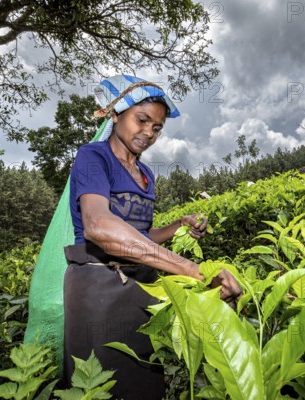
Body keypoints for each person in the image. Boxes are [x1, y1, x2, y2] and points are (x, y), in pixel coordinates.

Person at [63, 75, 241, 399]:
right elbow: (99, 226)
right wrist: (191, 270)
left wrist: (177, 226)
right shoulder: (93, 157)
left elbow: (139, 236)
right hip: (96, 291)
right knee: (98, 384)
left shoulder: (146, 175)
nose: (149, 133)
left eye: (157, 128)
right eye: (142, 120)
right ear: (116, 114)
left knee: (143, 380)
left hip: (141, 289)